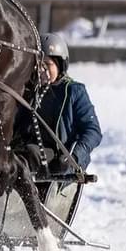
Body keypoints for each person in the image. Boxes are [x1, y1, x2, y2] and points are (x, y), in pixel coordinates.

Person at [15, 33, 103, 174]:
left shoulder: (74, 91)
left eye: (47, 65)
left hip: (58, 154)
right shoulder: (30, 91)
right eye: (38, 65)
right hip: (28, 147)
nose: (41, 70)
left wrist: (73, 156)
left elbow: (93, 131)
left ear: (60, 65)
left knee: (30, 153)